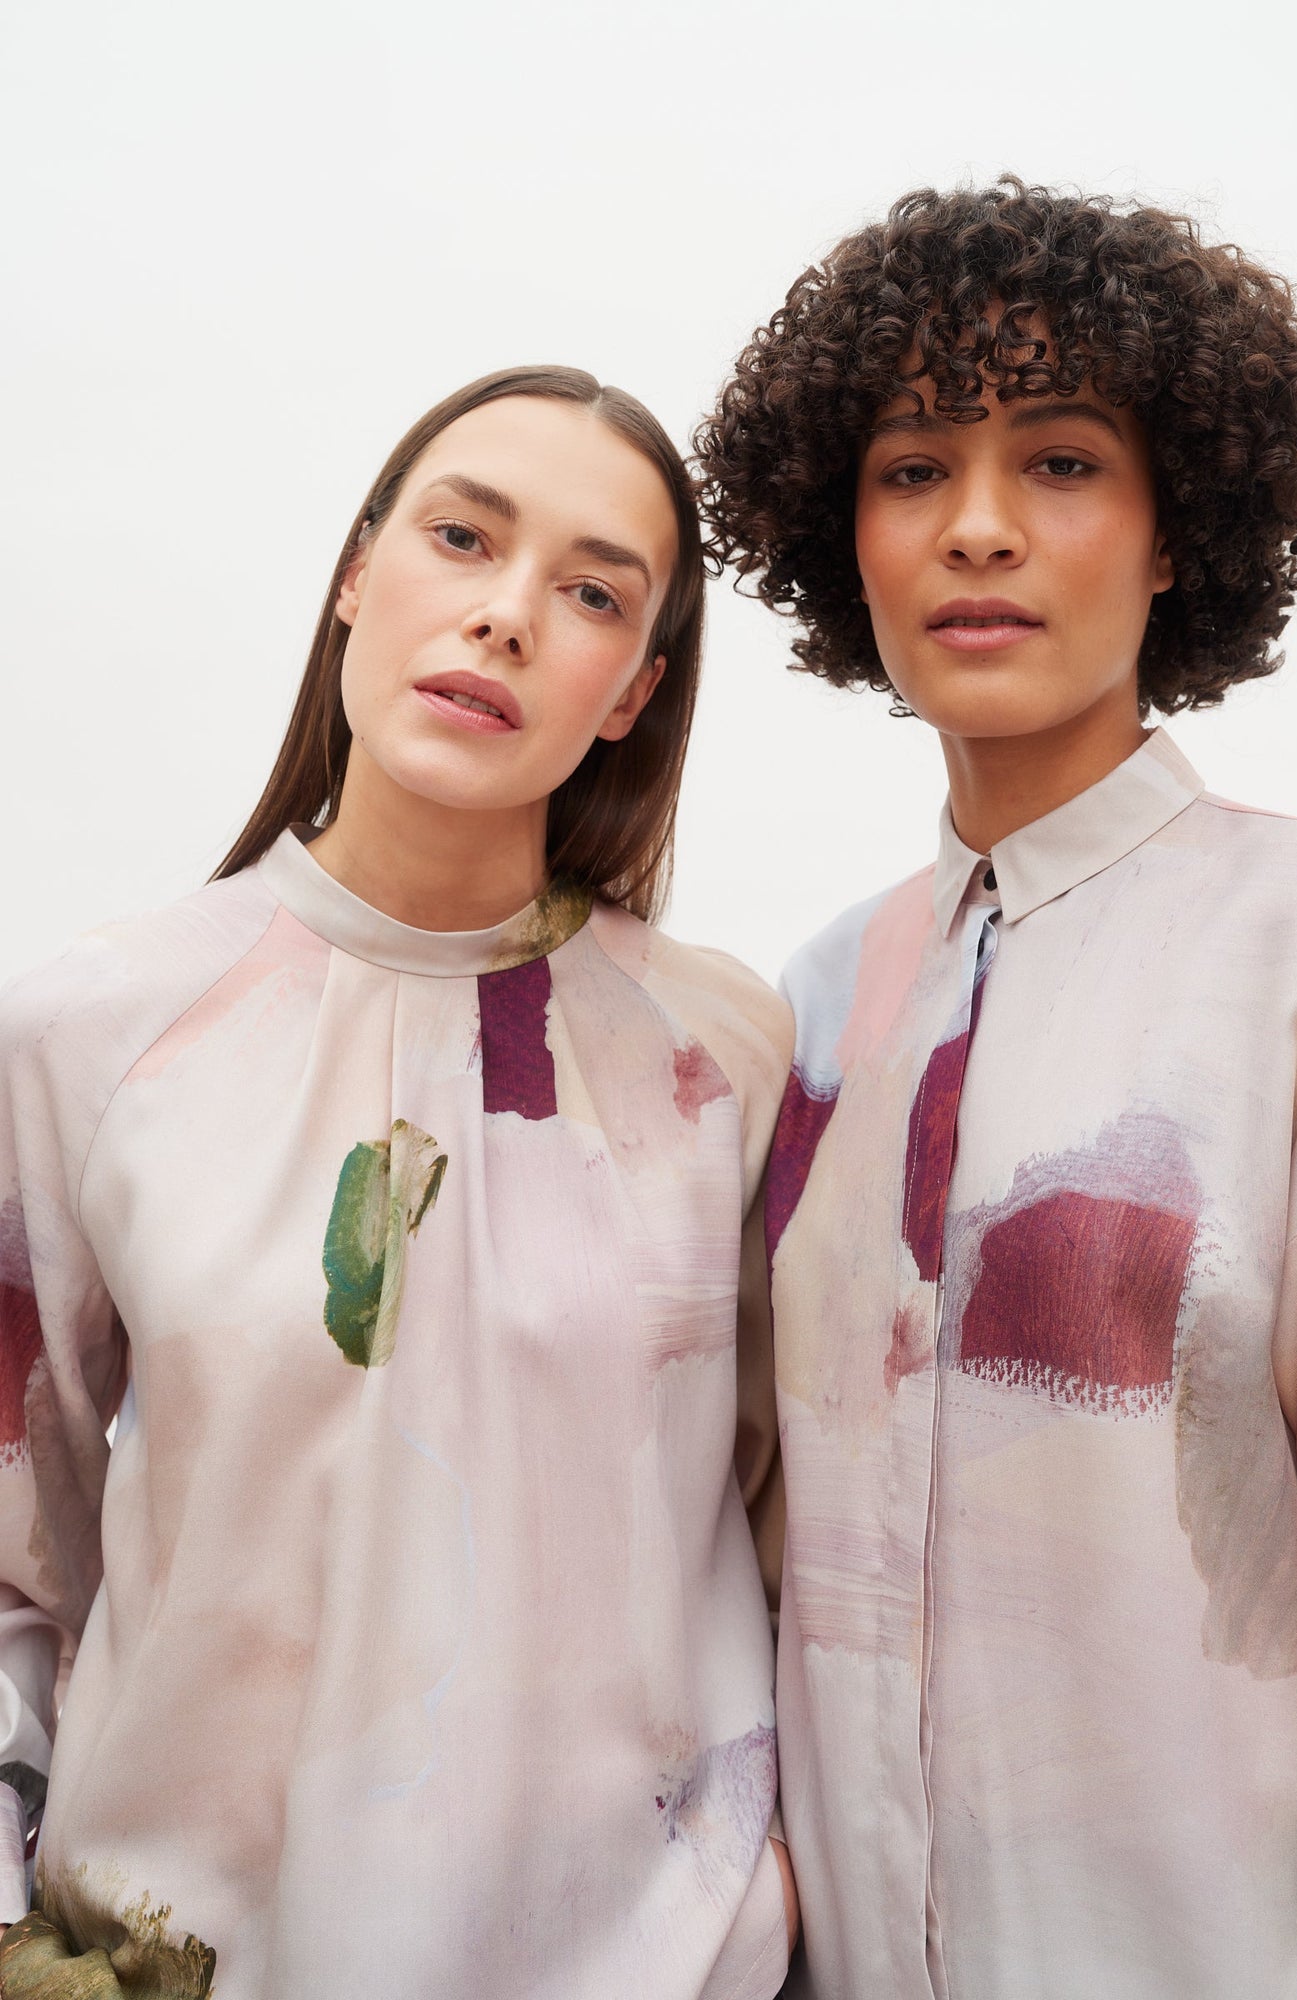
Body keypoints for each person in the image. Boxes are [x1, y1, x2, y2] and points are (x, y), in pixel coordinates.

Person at [696, 180, 1297, 1998]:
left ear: (1171, 534)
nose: (978, 526)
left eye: (1061, 463)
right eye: (913, 470)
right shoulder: (810, 1015)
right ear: (845, 541)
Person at [0, 365, 797, 1998]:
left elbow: (795, 1543)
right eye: (462, 538)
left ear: (633, 692)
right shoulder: (92, 1031)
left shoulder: (727, 1058)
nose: (507, 615)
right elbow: (18, 1562)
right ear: (358, 576)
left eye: (592, 593)